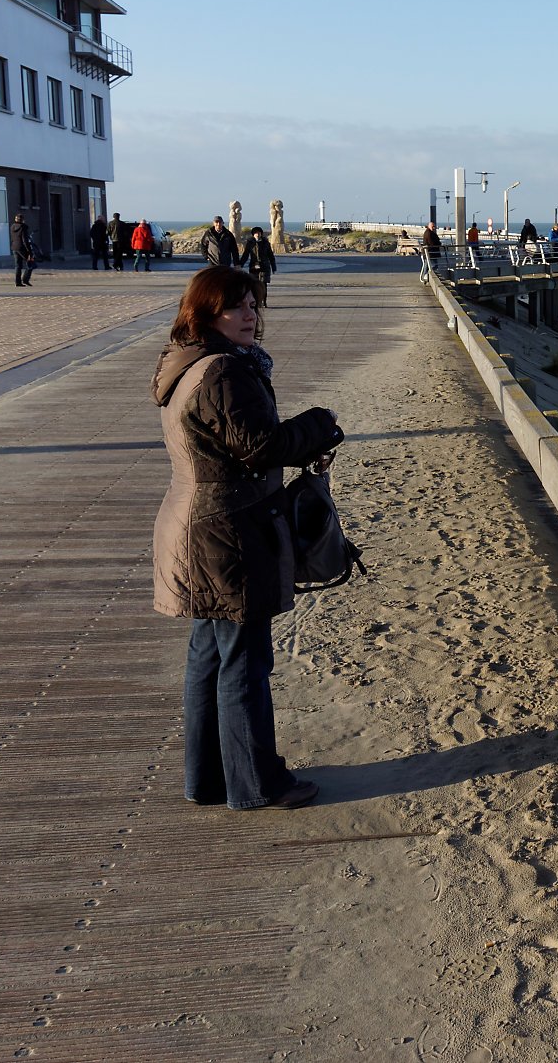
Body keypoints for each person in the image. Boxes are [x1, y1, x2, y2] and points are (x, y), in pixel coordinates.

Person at [152, 267, 340, 810]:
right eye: (236, 307)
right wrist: (320, 424)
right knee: (244, 660)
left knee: (210, 656)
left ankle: (209, 779)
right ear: (205, 313)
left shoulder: (189, 361)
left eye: (254, 305)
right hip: (226, 531)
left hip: (199, 524)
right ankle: (258, 784)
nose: (250, 316)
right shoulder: (222, 371)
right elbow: (260, 446)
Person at [243, 225, 277, 303]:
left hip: (264, 266)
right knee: (253, 284)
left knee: (263, 284)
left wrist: (274, 267)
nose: (257, 234)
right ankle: (256, 301)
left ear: (261, 234)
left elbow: (271, 256)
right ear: (253, 234)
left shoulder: (266, 243)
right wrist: (240, 264)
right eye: (255, 233)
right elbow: (245, 255)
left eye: (258, 233)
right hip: (253, 266)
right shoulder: (250, 243)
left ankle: (264, 301)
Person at [11, 214, 37, 287]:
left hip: (14, 247)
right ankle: (25, 279)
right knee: (31, 262)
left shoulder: (12, 227)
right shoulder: (23, 227)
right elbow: (25, 240)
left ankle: (17, 282)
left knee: (18, 266)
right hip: (22, 248)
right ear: (22, 220)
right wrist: (29, 251)